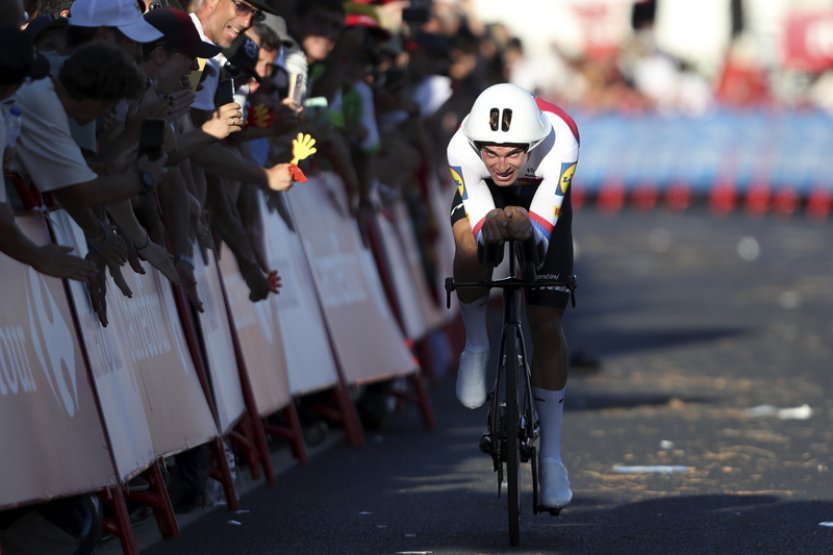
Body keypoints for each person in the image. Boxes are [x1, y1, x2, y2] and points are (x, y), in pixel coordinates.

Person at [447, 82, 579, 511]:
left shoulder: (562, 139)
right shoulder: (460, 150)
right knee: (469, 242)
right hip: (485, 201)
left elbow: (541, 233)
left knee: (545, 324)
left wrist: (526, 227)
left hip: (540, 200)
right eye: (491, 152)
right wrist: (495, 225)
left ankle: (552, 458)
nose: (502, 164)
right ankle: (476, 344)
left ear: (533, 145)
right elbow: (481, 224)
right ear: (476, 145)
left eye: (513, 153)